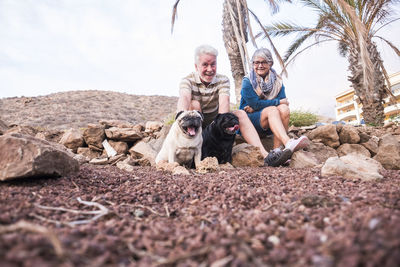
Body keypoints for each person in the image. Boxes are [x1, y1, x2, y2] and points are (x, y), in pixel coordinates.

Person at [177, 44, 292, 167]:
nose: (210, 69)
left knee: (241, 113)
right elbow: (184, 98)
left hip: (216, 122)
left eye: (213, 64)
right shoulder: (187, 80)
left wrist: (223, 125)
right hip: (196, 124)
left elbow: (224, 104)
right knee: (193, 104)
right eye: (205, 65)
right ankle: (193, 151)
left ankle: (266, 156)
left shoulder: (222, 80)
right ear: (196, 66)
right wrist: (180, 119)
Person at [240, 47, 309, 154]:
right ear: (252, 64)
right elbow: (255, 104)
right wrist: (276, 102)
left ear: (270, 63)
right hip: (249, 121)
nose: (260, 66)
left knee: (284, 109)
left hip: (271, 119)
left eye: (264, 62)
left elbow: (284, 101)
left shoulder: (277, 81)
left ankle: (277, 150)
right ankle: (287, 142)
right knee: (273, 109)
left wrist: (260, 106)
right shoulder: (247, 81)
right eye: (256, 62)